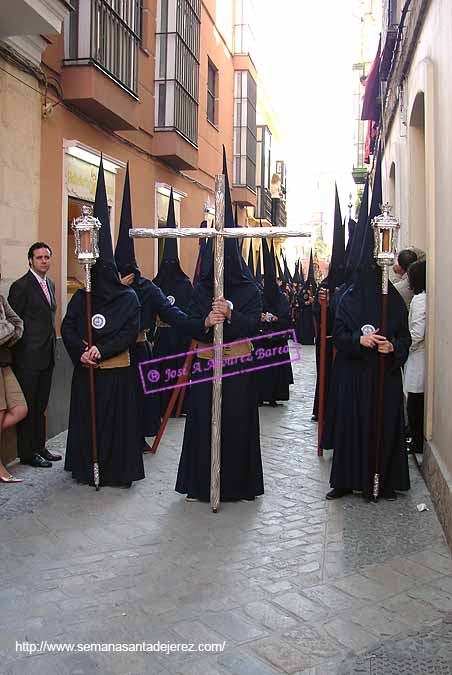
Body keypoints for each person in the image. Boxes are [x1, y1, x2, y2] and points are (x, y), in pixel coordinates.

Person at [175, 148, 264, 502]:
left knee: (236, 426)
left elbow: (253, 327)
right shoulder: (201, 287)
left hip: (237, 369)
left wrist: (230, 313)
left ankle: (236, 486)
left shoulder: (249, 290)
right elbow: (189, 326)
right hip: (205, 366)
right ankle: (201, 485)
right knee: (203, 427)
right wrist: (205, 320)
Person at [62, 159, 143, 488]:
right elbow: (68, 328)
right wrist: (81, 350)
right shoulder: (83, 297)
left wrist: (101, 348)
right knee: (89, 425)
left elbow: (127, 334)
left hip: (116, 373)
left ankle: (116, 472)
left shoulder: (128, 300)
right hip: (88, 373)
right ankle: (86, 468)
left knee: (116, 427)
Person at [323, 261, 411, 500]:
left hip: (385, 377)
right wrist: (358, 341)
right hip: (353, 376)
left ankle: (385, 480)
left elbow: (405, 336)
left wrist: (393, 347)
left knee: (383, 425)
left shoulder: (392, 301)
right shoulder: (347, 300)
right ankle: (345, 480)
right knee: (350, 425)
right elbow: (338, 335)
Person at [8, 243, 60, 468]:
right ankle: (27, 454)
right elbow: (14, 323)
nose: (44, 261)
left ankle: (40, 447)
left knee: (41, 406)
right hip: (27, 358)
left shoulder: (50, 284)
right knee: (28, 407)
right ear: (30, 260)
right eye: (39, 257)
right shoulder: (21, 286)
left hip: (47, 355)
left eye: (47, 257)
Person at [152, 189, 194, 417]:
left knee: (177, 371)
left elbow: (189, 310)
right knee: (161, 372)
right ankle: (162, 406)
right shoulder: (155, 283)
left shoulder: (186, 284)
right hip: (161, 337)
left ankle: (179, 406)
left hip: (178, 338)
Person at [256, 239, 293, 406]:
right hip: (262, 340)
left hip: (277, 341)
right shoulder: (259, 297)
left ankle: (273, 395)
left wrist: (276, 319)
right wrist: (261, 318)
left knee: (275, 370)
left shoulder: (282, 299)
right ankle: (260, 394)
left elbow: (286, 319)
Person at [0, 289, 27, 482]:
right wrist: (8, 328)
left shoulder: (0, 298)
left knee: (20, 409)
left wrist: (6, 328)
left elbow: (18, 323)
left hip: (3, 360)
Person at [405, 260, 426, 454]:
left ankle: (416, 439)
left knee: (415, 400)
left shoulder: (420, 300)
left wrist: (404, 346)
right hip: (416, 356)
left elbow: (417, 333)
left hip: (417, 355)